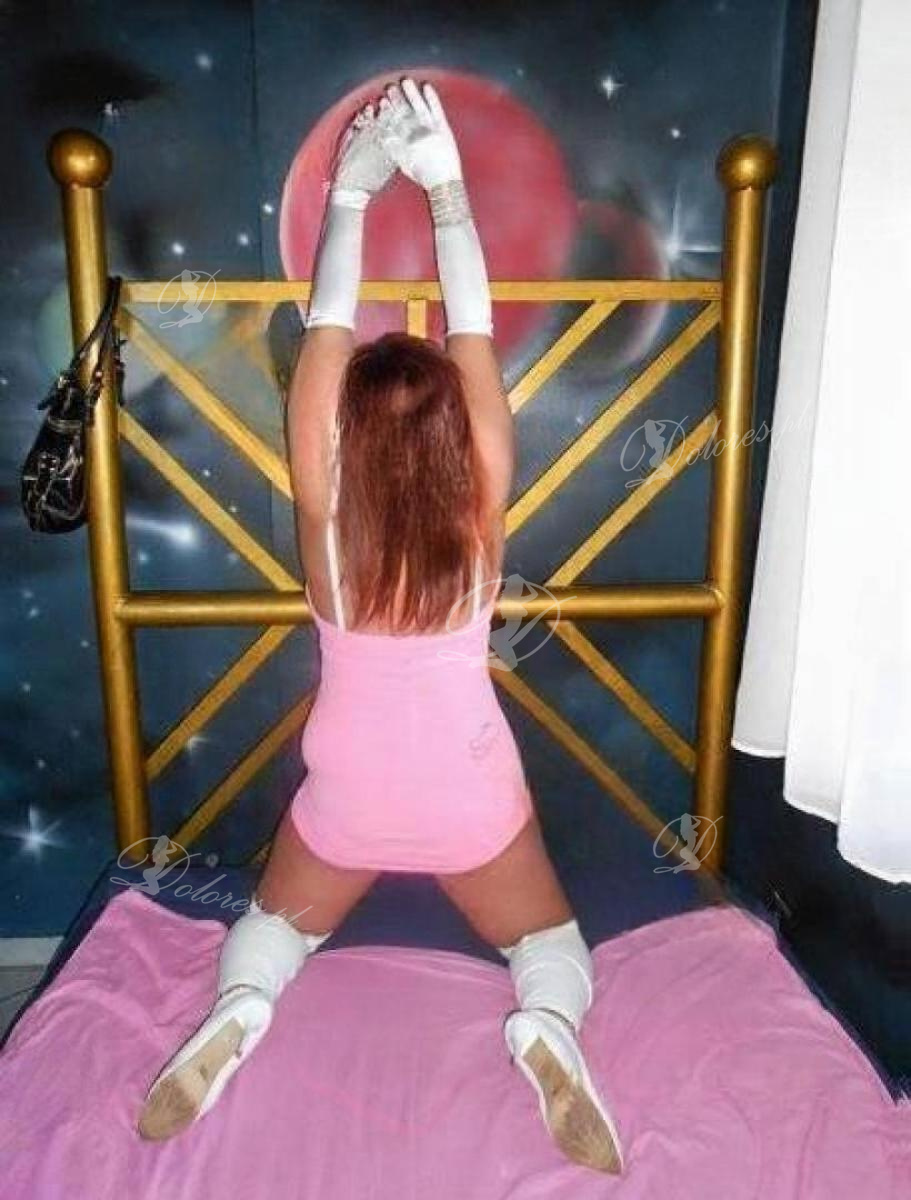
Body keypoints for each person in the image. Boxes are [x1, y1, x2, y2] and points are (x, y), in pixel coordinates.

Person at [137, 77, 622, 1175]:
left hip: (349, 783)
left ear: (343, 439)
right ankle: (547, 1027)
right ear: (458, 437)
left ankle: (242, 1009)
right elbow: (471, 330)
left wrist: (350, 196)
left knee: (276, 928)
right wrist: (447, 191)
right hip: (465, 787)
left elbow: (323, 333)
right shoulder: (480, 517)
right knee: (546, 943)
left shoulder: (325, 530)